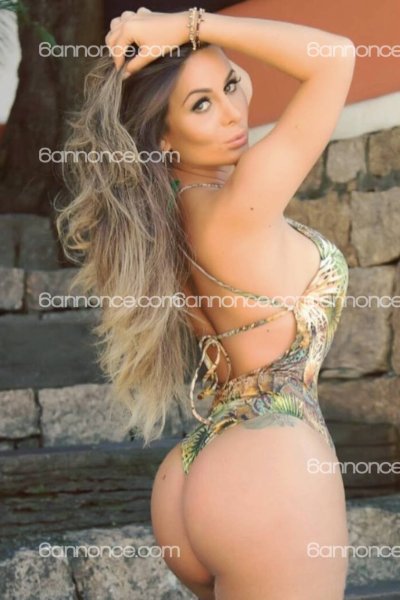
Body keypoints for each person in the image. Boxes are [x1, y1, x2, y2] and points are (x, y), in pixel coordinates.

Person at [57, 7, 355, 599]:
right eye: (201, 105)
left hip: (194, 471)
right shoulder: (240, 204)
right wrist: (192, 24)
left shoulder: (169, 218)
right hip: (270, 473)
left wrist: (194, 47)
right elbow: (336, 58)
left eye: (229, 85)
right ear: (163, 137)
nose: (233, 113)